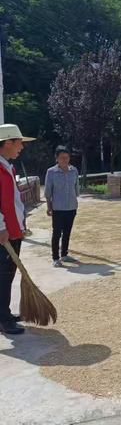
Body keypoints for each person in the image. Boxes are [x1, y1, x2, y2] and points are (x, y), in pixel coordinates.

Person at [0, 124, 35, 335]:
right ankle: (3, 319)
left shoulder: (7, 167)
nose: (21, 147)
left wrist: (20, 223)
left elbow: (13, 201)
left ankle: (3, 312)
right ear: (8, 143)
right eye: (19, 142)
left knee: (8, 274)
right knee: (3, 276)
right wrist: (1, 226)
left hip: (13, 230)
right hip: (4, 232)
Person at [44, 146, 79, 268]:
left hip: (71, 207)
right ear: (57, 159)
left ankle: (64, 253)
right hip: (57, 208)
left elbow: (76, 188)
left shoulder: (74, 170)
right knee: (57, 233)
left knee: (67, 232)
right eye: (62, 158)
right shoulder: (51, 172)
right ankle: (55, 257)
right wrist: (49, 207)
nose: (64, 160)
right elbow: (48, 192)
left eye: (67, 157)